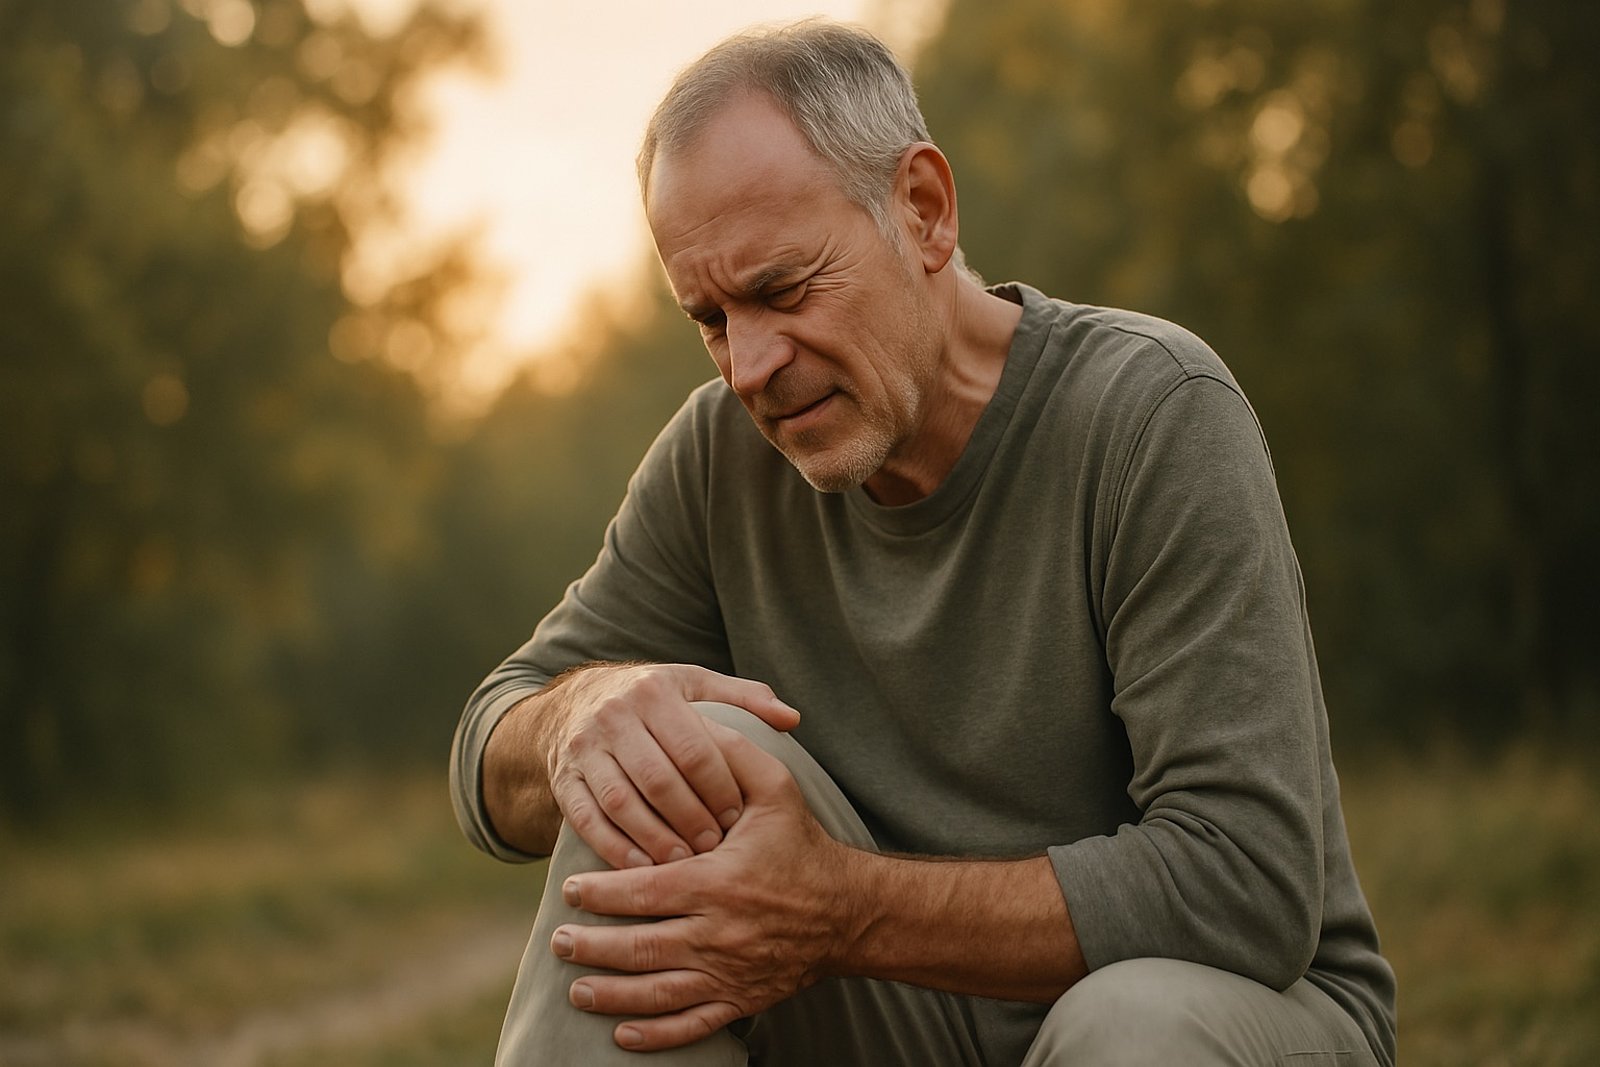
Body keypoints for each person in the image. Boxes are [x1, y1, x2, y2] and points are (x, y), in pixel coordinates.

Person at [449, 19, 1396, 1067]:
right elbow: (486, 755)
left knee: (1127, 1028)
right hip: (899, 1019)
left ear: (924, 209)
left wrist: (841, 907)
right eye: (710, 319)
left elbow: (1246, 885)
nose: (749, 366)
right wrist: (575, 718)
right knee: (660, 754)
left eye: (781, 289)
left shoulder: (1153, 413)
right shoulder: (719, 459)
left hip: (1213, 1012)